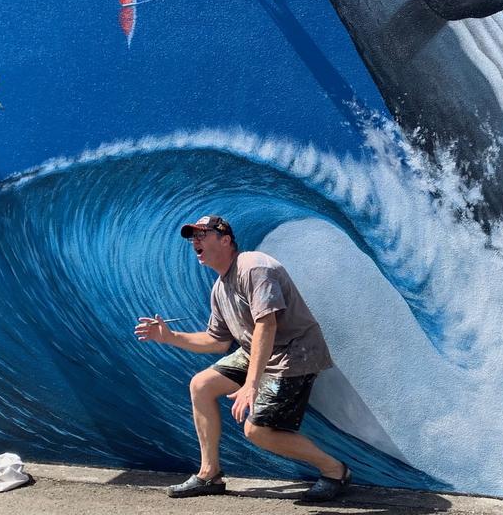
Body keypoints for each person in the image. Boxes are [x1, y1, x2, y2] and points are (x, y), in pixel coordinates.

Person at [134, 215, 350, 501]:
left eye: (202, 235)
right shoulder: (220, 289)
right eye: (192, 237)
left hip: (295, 354)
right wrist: (170, 337)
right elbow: (217, 341)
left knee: (257, 431)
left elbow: (267, 324)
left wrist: (251, 384)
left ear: (225, 240)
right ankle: (209, 473)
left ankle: (335, 470)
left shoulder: (254, 267)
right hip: (257, 351)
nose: (195, 241)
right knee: (202, 384)